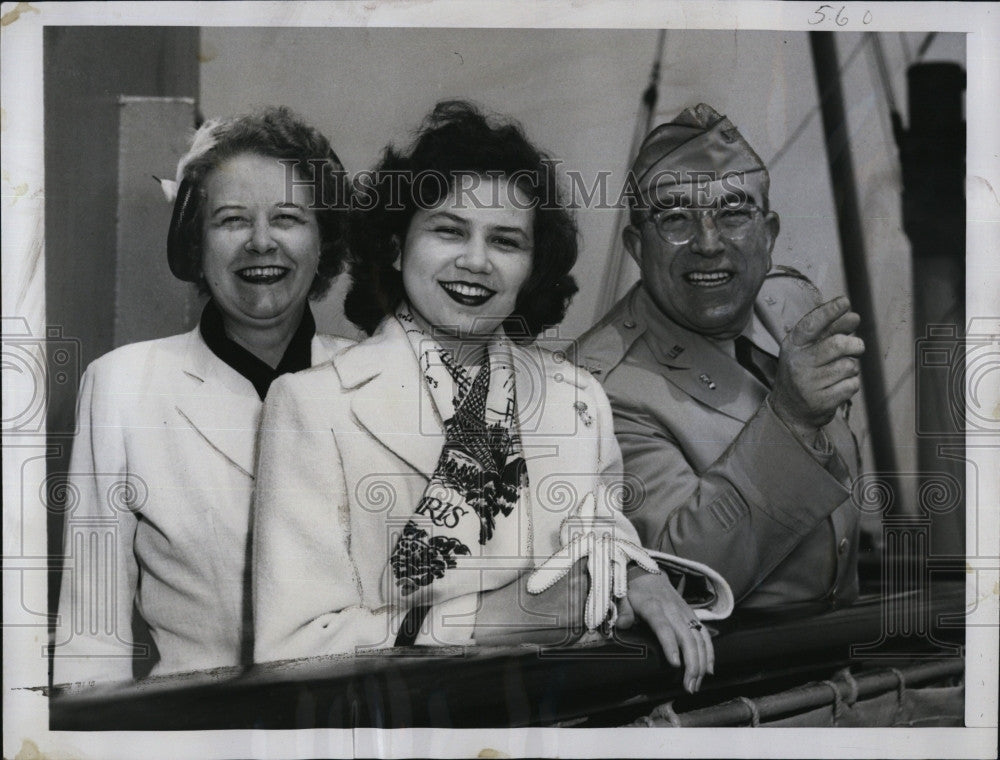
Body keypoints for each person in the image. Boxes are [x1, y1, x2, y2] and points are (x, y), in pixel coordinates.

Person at [252, 101, 732, 694]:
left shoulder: (577, 398)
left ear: (532, 269)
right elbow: (291, 647)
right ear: (398, 246)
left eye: (506, 241)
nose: (475, 262)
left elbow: (603, 542)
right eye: (448, 231)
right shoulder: (312, 404)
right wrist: (492, 618)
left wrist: (633, 575)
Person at [52, 107, 351, 683]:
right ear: (196, 242)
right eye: (232, 220)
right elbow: (91, 634)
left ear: (323, 239)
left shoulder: (376, 381)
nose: (261, 242)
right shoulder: (122, 385)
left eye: (288, 218)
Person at [575, 103, 864, 609]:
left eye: (734, 213)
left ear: (769, 236)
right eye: (675, 218)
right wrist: (791, 422)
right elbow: (686, 581)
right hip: (729, 681)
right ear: (637, 246)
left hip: (843, 663)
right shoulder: (597, 391)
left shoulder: (792, 304)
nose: (708, 244)